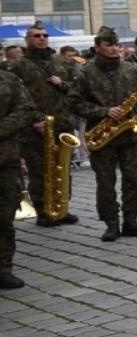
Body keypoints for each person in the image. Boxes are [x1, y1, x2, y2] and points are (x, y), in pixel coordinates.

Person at [67, 26, 137, 242]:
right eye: (109, 45)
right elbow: (74, 102)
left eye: (117, 44)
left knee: (133, 179)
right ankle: (111, 223)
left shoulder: (132, 69)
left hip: (131, 135)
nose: (115, 49)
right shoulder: (86, 72)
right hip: (102, 136)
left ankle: (131, 220)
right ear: (98, 47)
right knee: (105, 181)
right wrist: (104, 111)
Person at [14, 21, 80, 226]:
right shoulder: (19, 66)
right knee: (40, 170)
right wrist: (35, 119)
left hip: (61, 124)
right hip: (35, 127)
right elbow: (17, 98)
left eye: (44, 35)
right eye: (36, 36)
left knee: (62, 169)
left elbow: (76, 90)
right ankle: (44, 210)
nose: (42, 38)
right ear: (27, 40)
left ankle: (62, 208)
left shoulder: (60, 63)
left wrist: (63, 84)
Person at [0, 67, 36, 288]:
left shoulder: (9, 79)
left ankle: (4, 267)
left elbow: (26, 109)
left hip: (5, 160)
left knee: (5, 214)